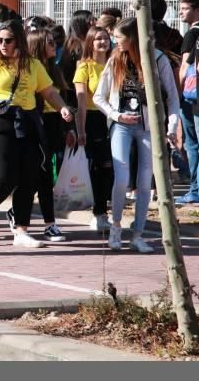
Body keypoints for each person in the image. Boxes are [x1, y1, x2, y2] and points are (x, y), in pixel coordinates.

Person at [0, 19, 74, 248]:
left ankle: (21, 231)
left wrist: (62, 107)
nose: (3, 44)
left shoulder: (32, 64)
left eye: (9, 40)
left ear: (20, 42)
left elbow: (49, 92)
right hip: (0, 120)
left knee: (29, 177)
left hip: (28, 120)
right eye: (0, 40)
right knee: (5, 176)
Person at [94, 18, 179, 253]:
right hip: (121, 125)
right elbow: (98, 97)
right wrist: (116, 115)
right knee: (121, 178)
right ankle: (116, 227)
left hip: (149, 126)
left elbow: (172, 98)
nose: (115, 41)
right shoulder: (115, 60)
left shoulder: (158, 59)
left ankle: (138, 234)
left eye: (119, 37)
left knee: (144, 181)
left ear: (132, 38)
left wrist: (171, 127)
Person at [26, 28, 71, 242]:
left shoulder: (54, 68)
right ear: (38, 45)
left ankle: (41, 220)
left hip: (55, 124)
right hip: (36, 124)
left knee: (48, 176)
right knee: (40, 176)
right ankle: (48, 224)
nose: (54, 45)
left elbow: (59, 97)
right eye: (50, 42)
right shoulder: (30, 69)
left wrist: (68, 128)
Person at [74, 26, 114, 231]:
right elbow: (81, 102)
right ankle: (98, 213)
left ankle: (104, 209)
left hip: (114, 119)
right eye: (98, 39)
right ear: (90, 42)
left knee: (110, 168)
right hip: (93, 119)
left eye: (105, 38)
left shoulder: (115, 64)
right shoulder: (84, 67)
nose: (102, 42)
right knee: (97, 168)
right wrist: (81, 130)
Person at [178, 0, 199, 205]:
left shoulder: (193, 33)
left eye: (186, 8)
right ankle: (197, 188)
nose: (181, 12)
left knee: (193, 144)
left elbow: (186, 67)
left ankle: (196, 188)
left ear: (198, 9)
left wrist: (179, 93)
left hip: (192, 96)